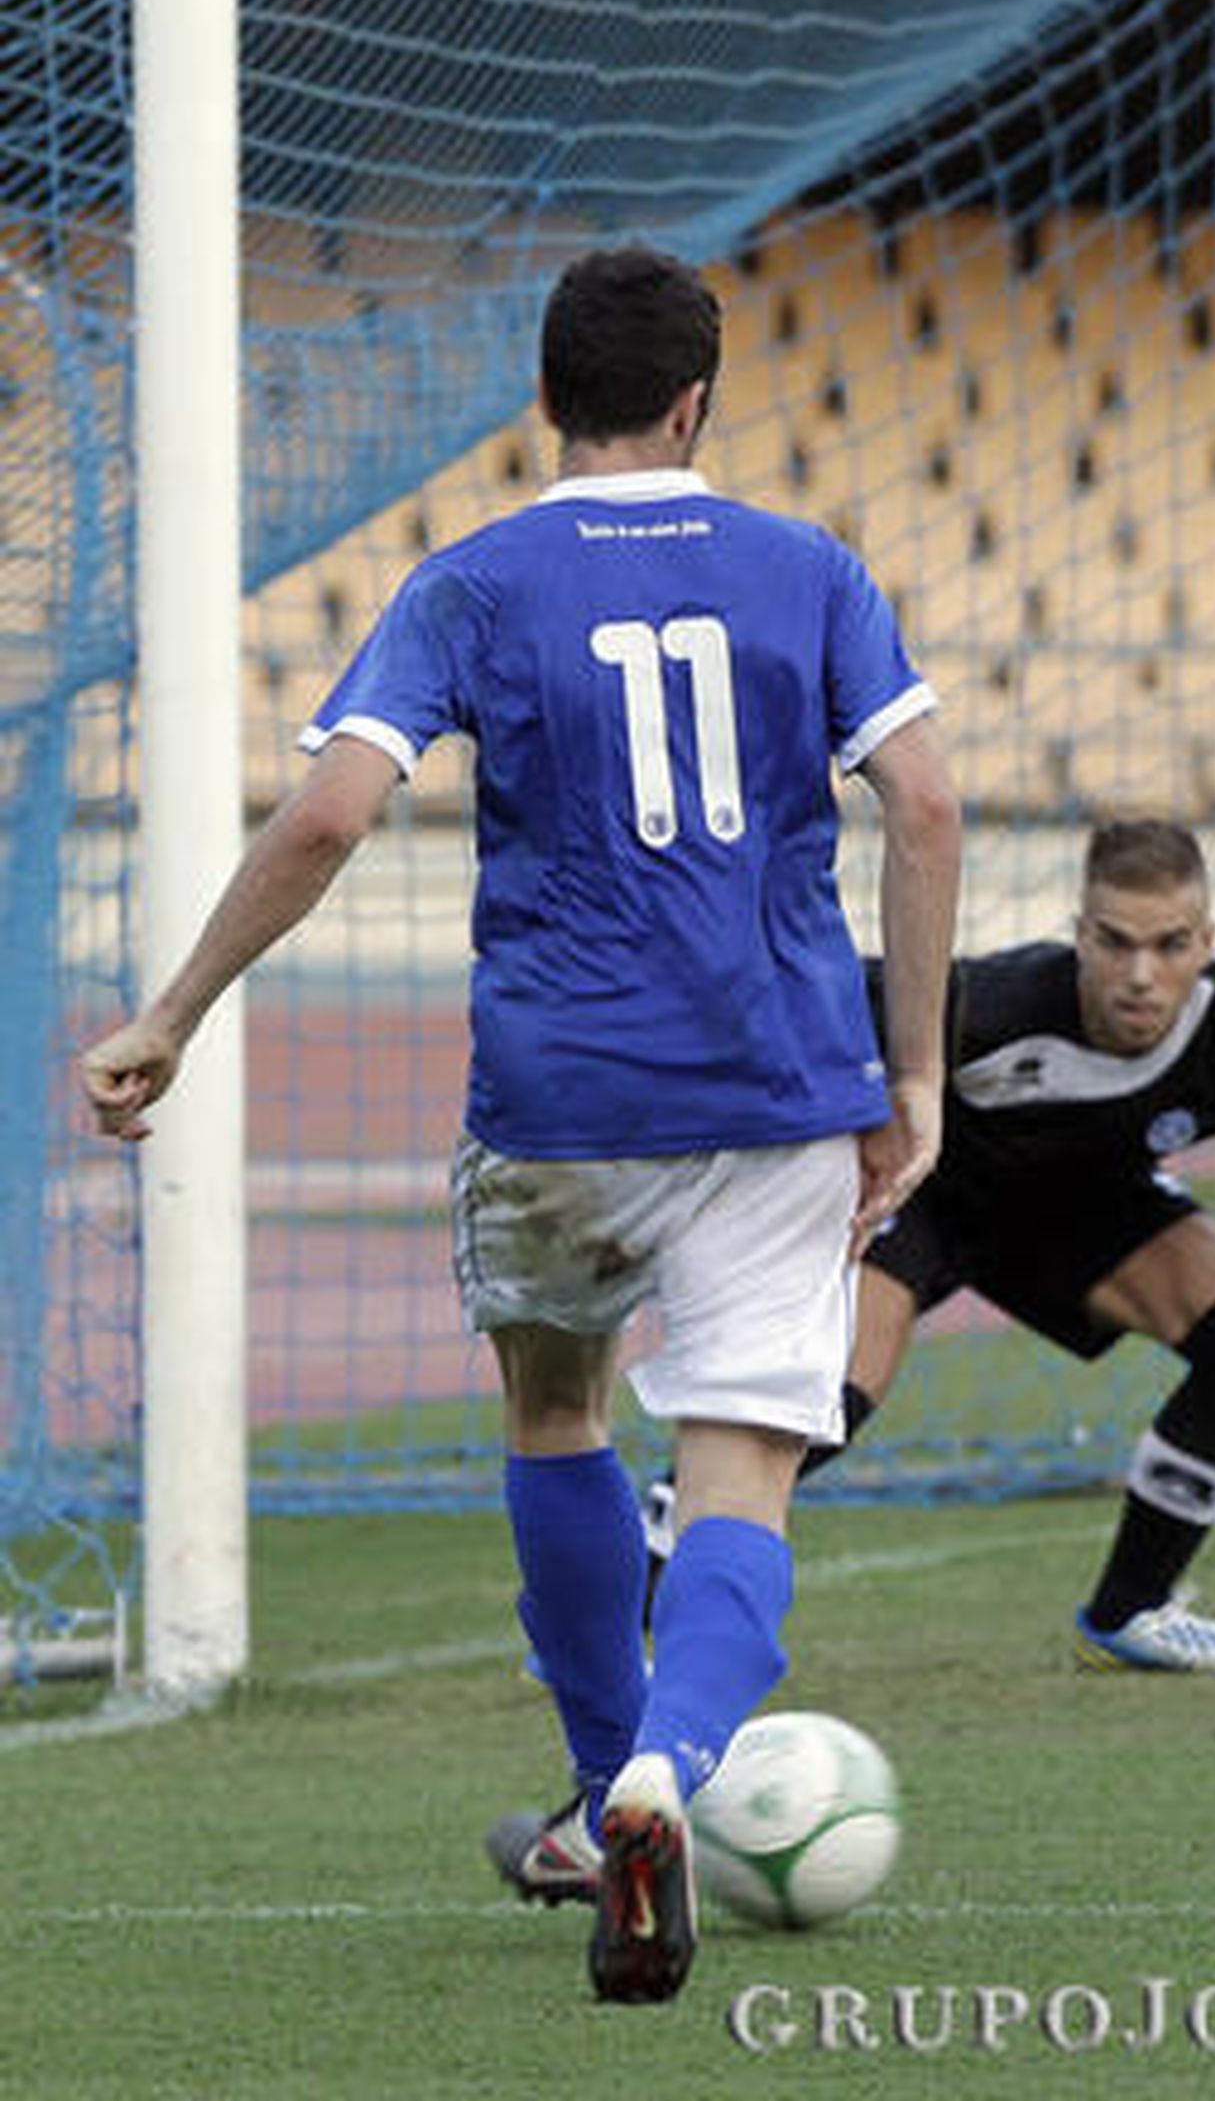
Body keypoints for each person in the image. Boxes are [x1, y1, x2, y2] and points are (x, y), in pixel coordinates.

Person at [80, 245, 961, 2004]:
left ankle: (596, 1779)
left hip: (559, 1095)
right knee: (741, 1467)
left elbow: (327, 818)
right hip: (780, 1084)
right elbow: (926, 806)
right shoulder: (811, 568)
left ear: (545, 398)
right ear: (696, 401)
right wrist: (916, 1074)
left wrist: (173, 1012)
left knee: (557, 1413)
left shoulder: (472, 580)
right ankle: (669, 1769)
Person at [641, 817, 1215, 1679]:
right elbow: (799, 1012)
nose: (1142, 975)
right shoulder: (987, 1004)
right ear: (1079, 934)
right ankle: (628, 1594)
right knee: (822, 1404)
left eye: (1171, 945)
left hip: (1083, 1207)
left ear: (1208, 942)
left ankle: (1130, 1615)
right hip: (933, 1193)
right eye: (1115, 942)